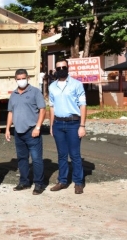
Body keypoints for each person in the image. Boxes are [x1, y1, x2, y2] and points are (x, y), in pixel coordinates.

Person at [5, 69, 46, 195]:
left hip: (32, 131)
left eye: (23, 78)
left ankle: (39, 184)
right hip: (18, 132)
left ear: (27, 78)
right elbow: (10, 112)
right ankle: (24, 182)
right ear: (15, 79)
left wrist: (38, 127)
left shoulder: (35, 92)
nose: (21, 80)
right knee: (22, 158)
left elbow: (42, 110)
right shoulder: (14, 94)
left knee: (36, 159)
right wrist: (7, 129)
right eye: (19, 78)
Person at [48, 59, 87, 194]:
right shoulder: (52, 86)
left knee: (75, 154)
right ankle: (62, 181)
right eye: (58, 68)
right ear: (55, 70)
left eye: (63, 67)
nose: (61, 70)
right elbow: (51, 107)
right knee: (62, 154)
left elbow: (83, 105)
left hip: (73, 123)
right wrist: (52, 125)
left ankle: (78, 182)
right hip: (58, 124)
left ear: (68, 68)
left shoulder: (77, 84)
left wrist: (82, 125)